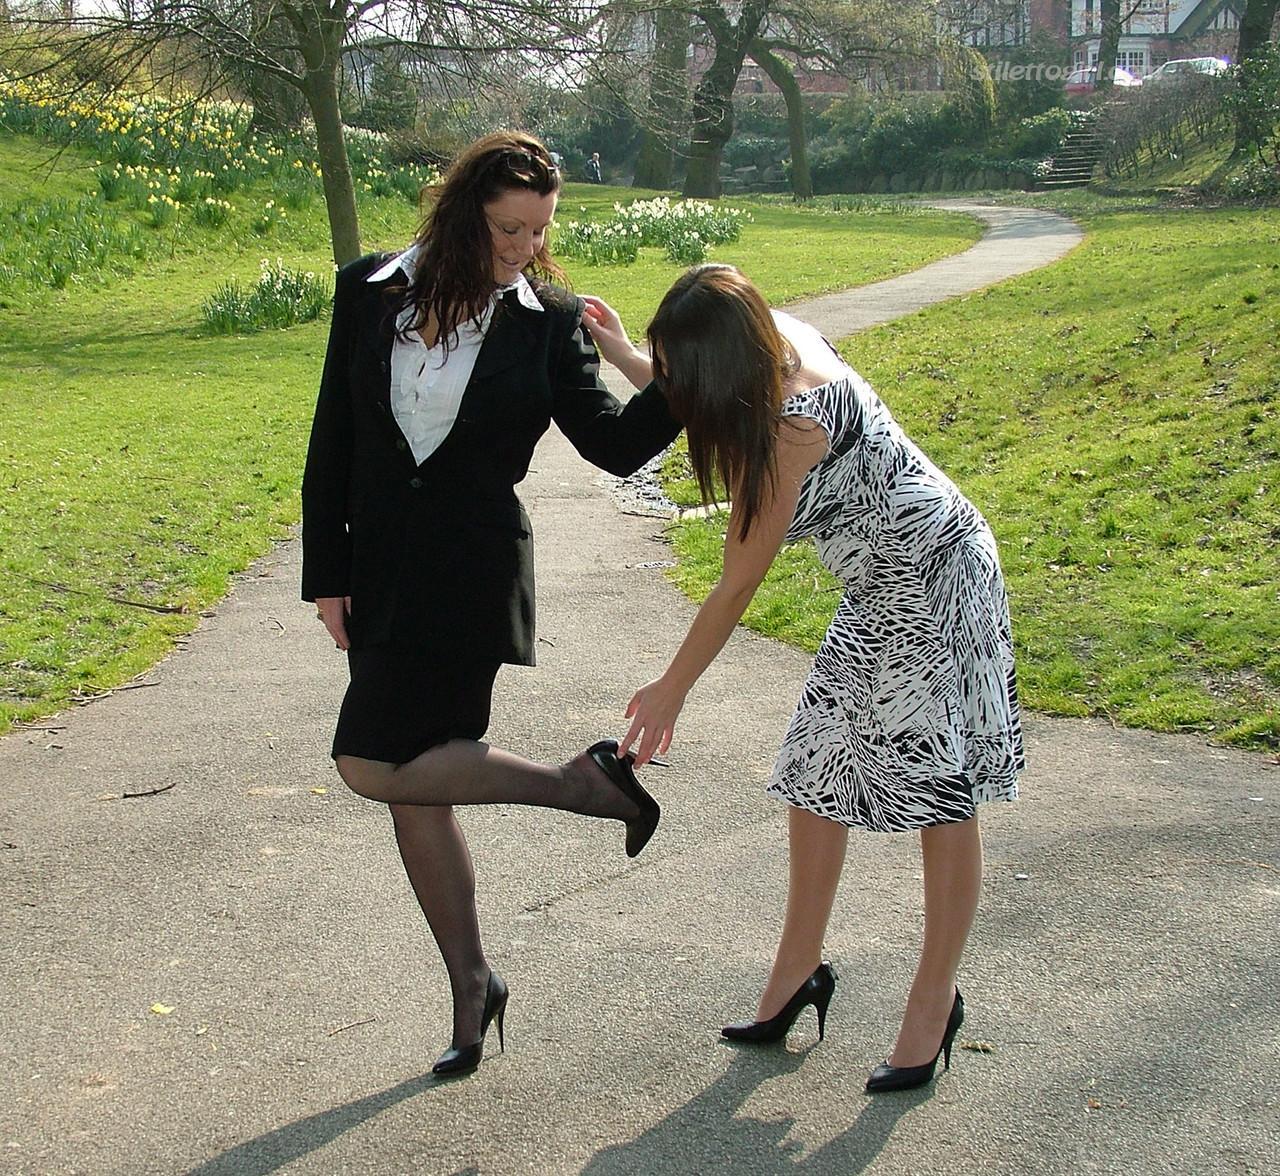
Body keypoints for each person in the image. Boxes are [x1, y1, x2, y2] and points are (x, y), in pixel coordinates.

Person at [581, 264, 1024, 1093]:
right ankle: (795, 978)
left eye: (677, 368)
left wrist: (671, 686)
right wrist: (619, 353)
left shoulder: (793, 429)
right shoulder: (772, 339)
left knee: (941, 792)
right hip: (886, 583)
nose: (669, 383)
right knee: (817, 771)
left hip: (935, 580)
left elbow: (738, 579)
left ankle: (934, 1005)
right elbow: (710, 399)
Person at [301, 131, 679, 1079]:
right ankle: (473, 986)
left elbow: (614, 446)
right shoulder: (370, 289)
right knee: (415, 780)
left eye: (538, 230)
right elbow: (335, 435)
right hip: (381, 572)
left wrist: (670, 373)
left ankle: (576, 787)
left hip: (470, 578)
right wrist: (326, 572)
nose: (521, 246)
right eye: (509, 226)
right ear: (467, 209)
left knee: (370, 763)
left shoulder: (544, 319)